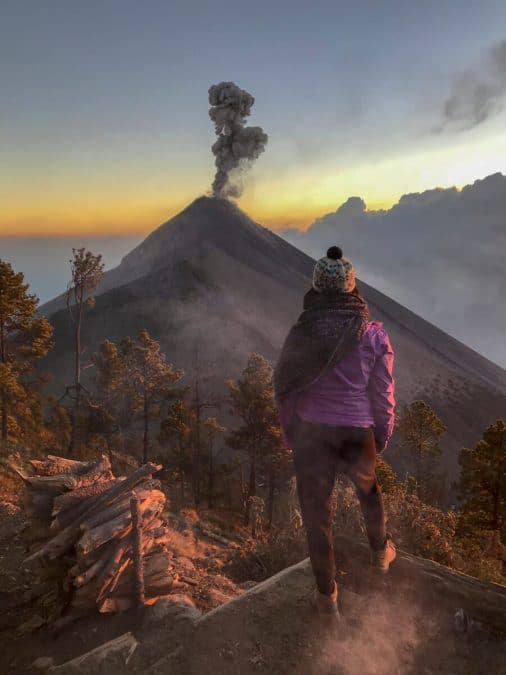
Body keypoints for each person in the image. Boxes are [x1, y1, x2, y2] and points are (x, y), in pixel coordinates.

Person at [274, 246, 396, 620]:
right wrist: (381, 436)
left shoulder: (301, 334)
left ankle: (327, 599)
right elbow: (383, 393)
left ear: (317, 287)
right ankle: (380, 554)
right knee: (370, 493)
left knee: (317, 516)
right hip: (356, 434)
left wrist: (292, 433)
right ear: (351, 287)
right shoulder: (373, 336)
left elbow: (286, 389)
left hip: (313, 435)